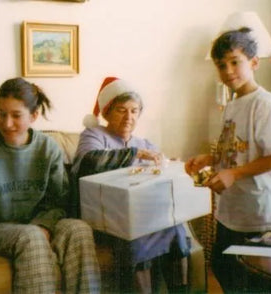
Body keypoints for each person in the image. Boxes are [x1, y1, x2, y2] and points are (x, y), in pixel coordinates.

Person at [0, 77, 100, 294]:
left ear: (34, 116)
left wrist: (44, 225)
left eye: (16, 115)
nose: (6, 123)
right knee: (30, 236)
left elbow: (58, 201)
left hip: (33, 225)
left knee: (78, 230)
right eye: (0, 113)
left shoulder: (48, 149)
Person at [185, 27, 271, 293]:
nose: (228, 71)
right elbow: (236, 149)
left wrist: (234, 174)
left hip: (262, 214)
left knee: (259, 281)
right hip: (233, 213)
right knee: (225, 269)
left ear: (254, 63)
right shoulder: (232, 105)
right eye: (222, 65)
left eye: (235, 62)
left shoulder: (264, 103)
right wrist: (210, 158)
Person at [71, 77, 190, 294]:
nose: (129, 117)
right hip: (106, 218)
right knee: (136, 231)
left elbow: (159, 172)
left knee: (175, 226)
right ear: (107, 113)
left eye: (134, 111)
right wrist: (135, 154)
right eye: (121, 110)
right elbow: (90, 161)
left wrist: (170, 164)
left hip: (142, 213)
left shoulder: (143, 143)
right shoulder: (93, 135)